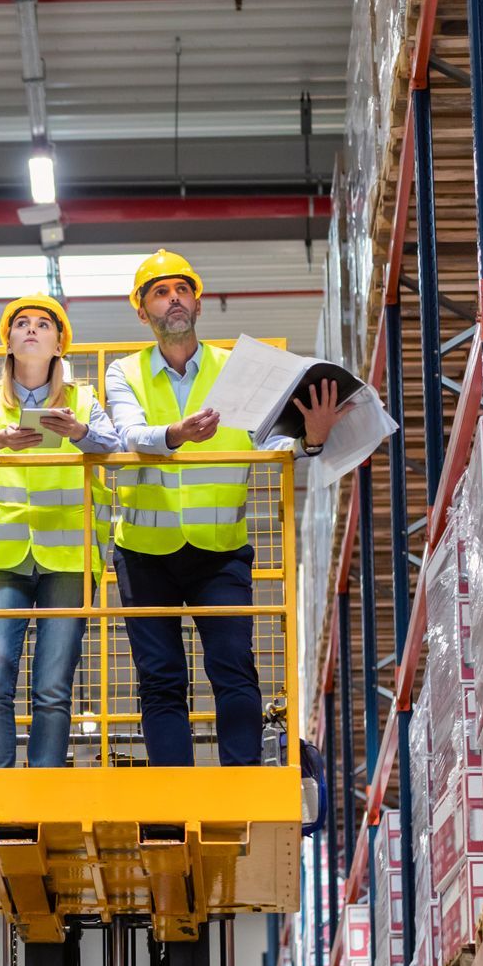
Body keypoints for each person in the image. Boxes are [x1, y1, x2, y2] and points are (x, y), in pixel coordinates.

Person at [105, 249, 342, 766]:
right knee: (161, 677)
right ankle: (175, 793)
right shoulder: (124, 373)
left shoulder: (238, 367)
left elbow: (267, 441)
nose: (174, 299)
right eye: (160, 292)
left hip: (220, 551)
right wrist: (176, 433)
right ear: (143, 312)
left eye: (182, 289)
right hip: (144, 553)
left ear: (198, 302)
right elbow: (127, 434)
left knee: (234, 667)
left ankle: (240, 782)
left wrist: (312, 442)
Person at [0, 294, 121, 768]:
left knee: (53, 686)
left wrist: (78, 432)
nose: (32, 329)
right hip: (3, 559)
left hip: (69, 560)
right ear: (9, 341)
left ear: (59, 345)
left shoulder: (83, 401)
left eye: (43, 324)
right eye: (22, 324)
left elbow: (113, 447)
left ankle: (45, 786)